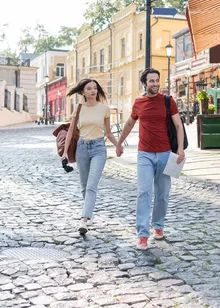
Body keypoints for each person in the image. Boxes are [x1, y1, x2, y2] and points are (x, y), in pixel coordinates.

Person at [116, 68, 185, 250]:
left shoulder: (168, 102)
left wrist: (180, 149)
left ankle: (159, 226)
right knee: (144, 192)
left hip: (165, 154)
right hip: (144, 154)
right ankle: (143, 235)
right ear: (144, 84)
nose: (155, 84)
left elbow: (178, 126)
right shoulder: (139, 103)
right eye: (151, 81)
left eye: (157, 80)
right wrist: (119, 143)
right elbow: (130, 123)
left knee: (162, 194)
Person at [63, 78, 122, 235]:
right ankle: (89, 214)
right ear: (83, 92)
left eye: (95, 88)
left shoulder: (104, 108)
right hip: (81, 149)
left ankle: (84, 219)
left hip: (98, 149)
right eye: (89, 88)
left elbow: (108, 132)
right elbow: (70, 131)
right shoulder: (79, 108)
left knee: (91, 186)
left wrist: (118, 144)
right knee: (84, 186)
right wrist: (64, 152)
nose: (93, 91)